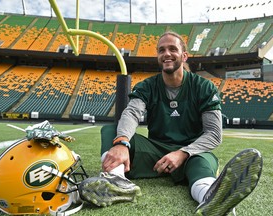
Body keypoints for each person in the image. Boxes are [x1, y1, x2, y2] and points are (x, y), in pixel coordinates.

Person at [79, 31, 263, 215]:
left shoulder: (204, 87)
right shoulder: (147, 86)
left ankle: (211, 199)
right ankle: (116, 181)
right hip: (157, 154)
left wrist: (183, 152)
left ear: (184, 56)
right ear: (158, 57)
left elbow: (214, 134)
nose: (166, 53)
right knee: (111, 131)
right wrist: (122, 142)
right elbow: (132, 112)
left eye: (172, 49)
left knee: (202, 164)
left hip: (192, 152)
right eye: (161, 50)